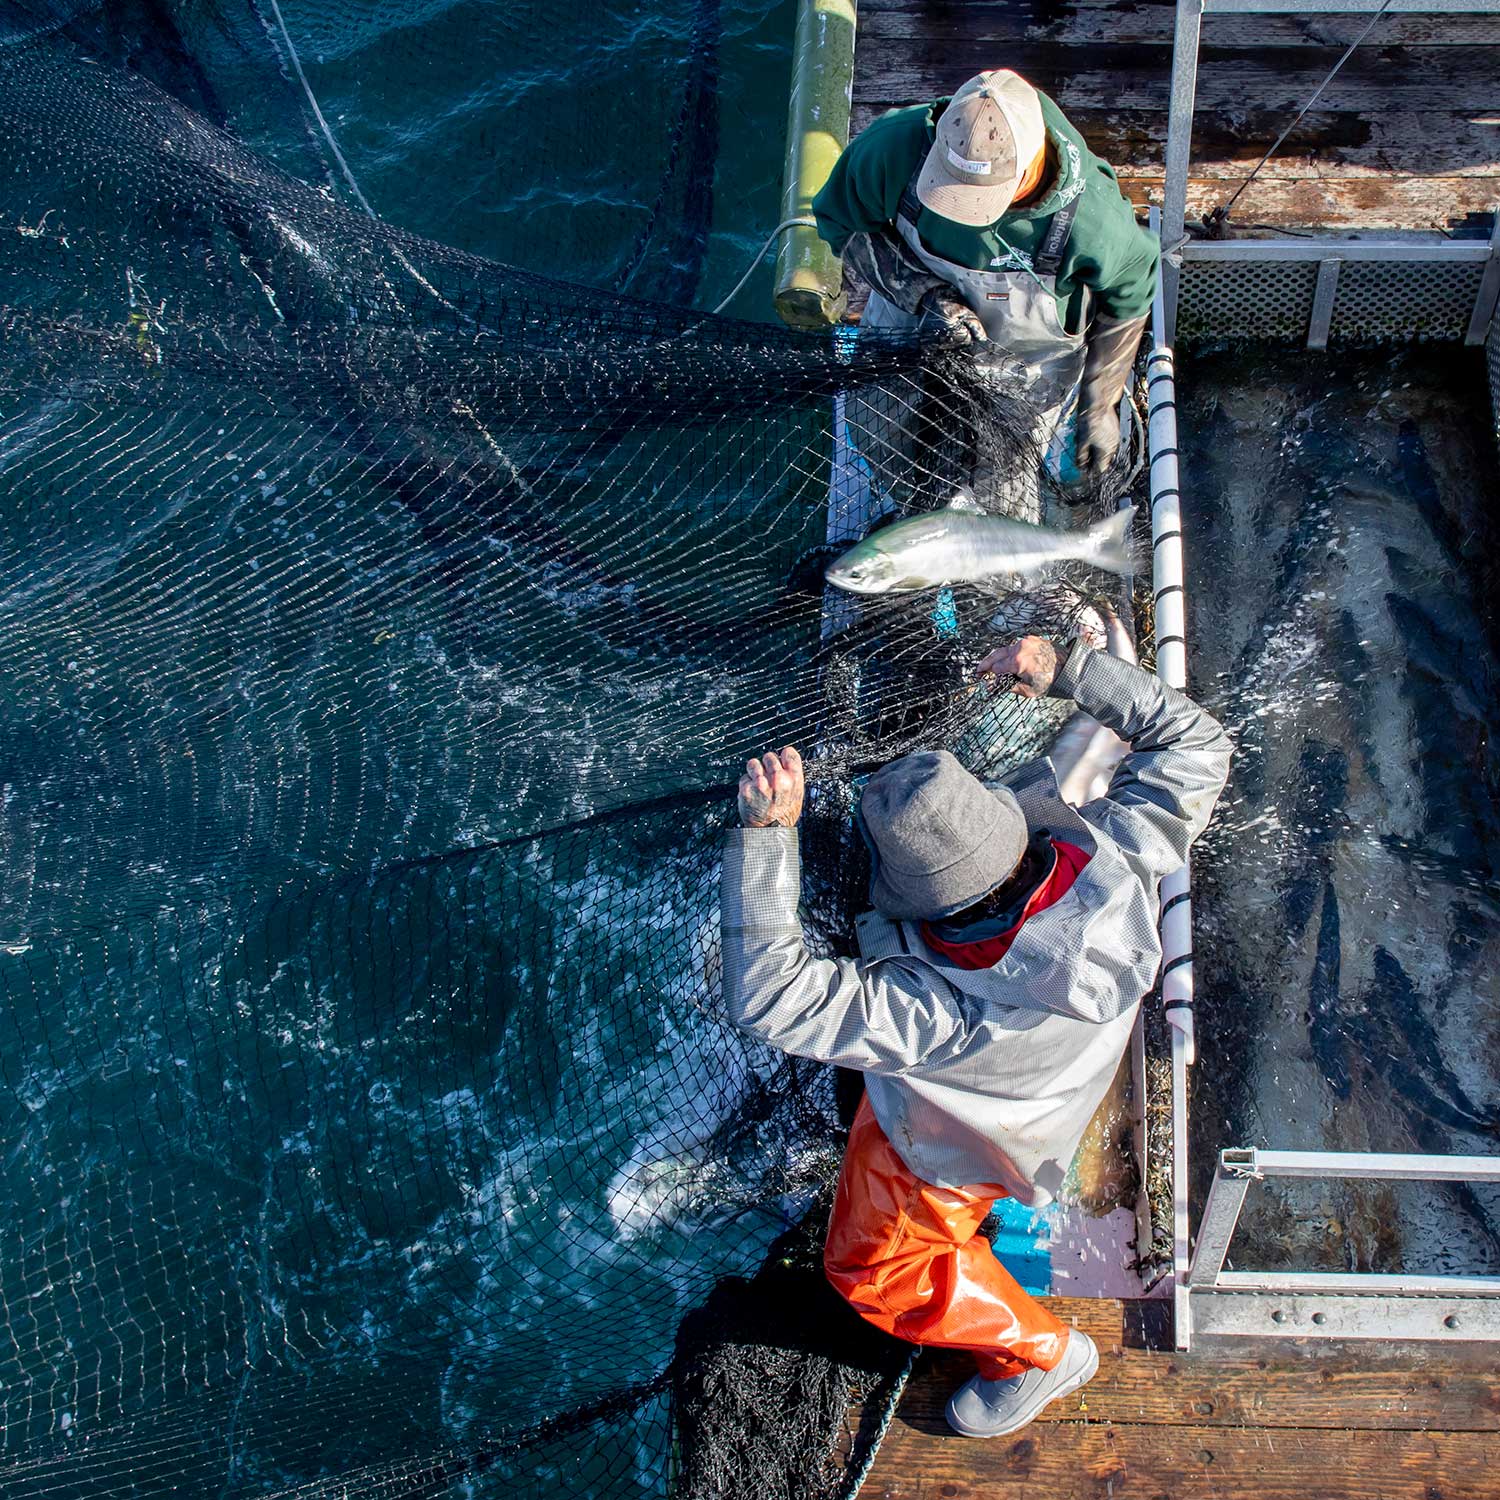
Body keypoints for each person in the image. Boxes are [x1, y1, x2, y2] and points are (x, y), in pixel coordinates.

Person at [719, 634, 1230, 1437]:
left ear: (929, 911)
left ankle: (1040, 1355)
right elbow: (1196, 740)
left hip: (952, 1155)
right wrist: (1069, 670)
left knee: (870, 1271)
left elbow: (769, 995)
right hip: (1053, 1093)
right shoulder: (1120, 857)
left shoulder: (930, 1015)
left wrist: (765, 836)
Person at [812, 70, 1159, 493]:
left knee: (1002, 479)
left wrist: (1100, 404)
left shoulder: (1096, 221)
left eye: (980, 195)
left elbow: (1131, 299)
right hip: (908, 321)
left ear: (1034, 165)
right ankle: (908, 506)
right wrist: (923, 294)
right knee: (878, 426)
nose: (963, 209)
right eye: (948, 185)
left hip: (1024, 356)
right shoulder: (892, 147)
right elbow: (839, 220)